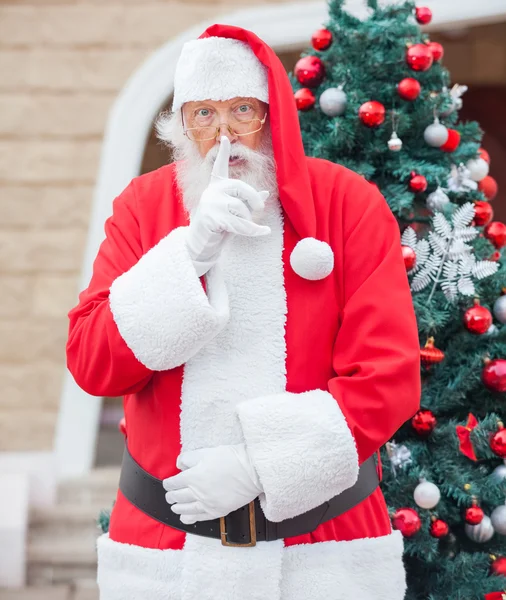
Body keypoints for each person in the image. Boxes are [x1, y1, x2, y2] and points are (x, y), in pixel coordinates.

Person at [66, 23, 421, 600]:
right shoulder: (143, 207)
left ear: (271, 116)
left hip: (321, 551)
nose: (223, 134)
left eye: (241, 110)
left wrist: (261, 464)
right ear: (180, 126)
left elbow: (388, 379)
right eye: (202, 115)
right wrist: (187, 255)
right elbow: (92, 363)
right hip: (165, 554)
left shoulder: (346, 203)